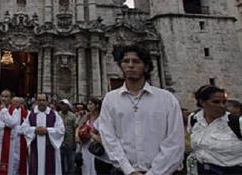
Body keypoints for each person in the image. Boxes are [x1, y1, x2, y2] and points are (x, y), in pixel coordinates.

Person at [98, 45, 184, 175]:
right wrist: (129, 170)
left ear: (147, 67)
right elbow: (109, 138)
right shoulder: (110, 99)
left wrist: (154, 173)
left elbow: (175, 141)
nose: (130, 65)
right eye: (126, 61)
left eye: (136, 61)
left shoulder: (167, 99)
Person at [189, 85, 242, 174]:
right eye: (216, 102)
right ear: (202, 102)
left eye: (224, 102)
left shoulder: (236, 123)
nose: (222, 106)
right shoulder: (194, 120)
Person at [22, 93, 65, 174]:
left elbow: (61, 130)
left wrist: (47, 130)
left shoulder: (54, 115)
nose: (41, 102)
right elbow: (24, 128)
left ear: (47, 102)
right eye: (39, 100)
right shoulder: (31, 114)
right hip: (35, 147)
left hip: (49, 146)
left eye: (43, 100)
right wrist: (34, 129)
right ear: (36, 102)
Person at [76, 97, 101, 175]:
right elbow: (78, 127)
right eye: (88, 104)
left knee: (95, 167)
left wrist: (92, 133)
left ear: (97, 106)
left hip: (96, 145)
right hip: (85, 145)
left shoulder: (101, 117)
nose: (89, 106)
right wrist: (77, 135)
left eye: (91, 104)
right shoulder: (86, 116)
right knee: (85, 166)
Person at [58, 99, 77, 175]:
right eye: (62, 105)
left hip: (69, 142)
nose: (63, 106)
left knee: (70, 161)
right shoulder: (58, 115)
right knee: (60, 161)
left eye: (65, 105)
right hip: (60, 142)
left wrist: (74, 142)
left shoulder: (73, 116)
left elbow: (74, 129)